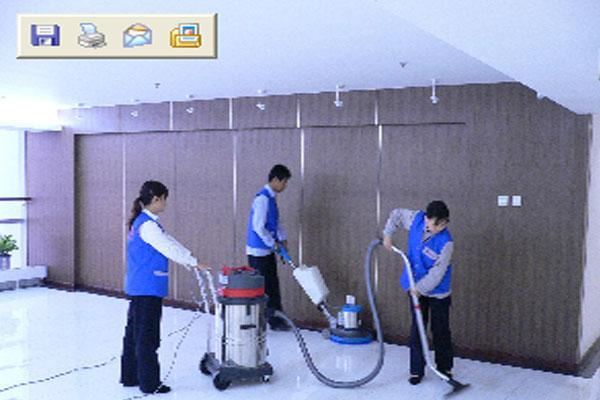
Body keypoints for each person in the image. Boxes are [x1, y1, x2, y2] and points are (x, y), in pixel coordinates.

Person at [120, 180, 206, 394]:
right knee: (147, 336)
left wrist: (191, 259)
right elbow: (167, 247)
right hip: (147, 287)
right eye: (164, 199)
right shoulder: (148, 226)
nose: (165, 203)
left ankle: (130, 376)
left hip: (139, 285)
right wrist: (192, 262)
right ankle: (149, 383)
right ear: (156, 199)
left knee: (134, 334)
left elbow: (170, 242)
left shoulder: (144, 222)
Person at [382, 200, 454, 385]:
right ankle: (416, 370)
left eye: (444, 224)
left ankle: (444, 368)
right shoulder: (416, 219)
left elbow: (438, 272)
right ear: (427, 219)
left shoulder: (446, 242)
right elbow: (396, 214)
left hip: (438, 292)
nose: (440, 228)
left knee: (440, 330)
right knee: (418, 328)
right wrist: (388, 234)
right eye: (437, 224)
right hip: (414, 284)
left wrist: (420, 289)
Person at [246, 164, 292, 331]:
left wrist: (283, 240)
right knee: (262, 288)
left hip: (267, 250)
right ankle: (260, 321)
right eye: (284, 182)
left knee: (272, 285)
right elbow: (258, 227)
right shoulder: (262, 199)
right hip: (258, 252)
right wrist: (273, 244)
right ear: (275, 180)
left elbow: (276, 222)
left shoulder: (271, 198)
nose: (285, 186)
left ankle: (276, 320)